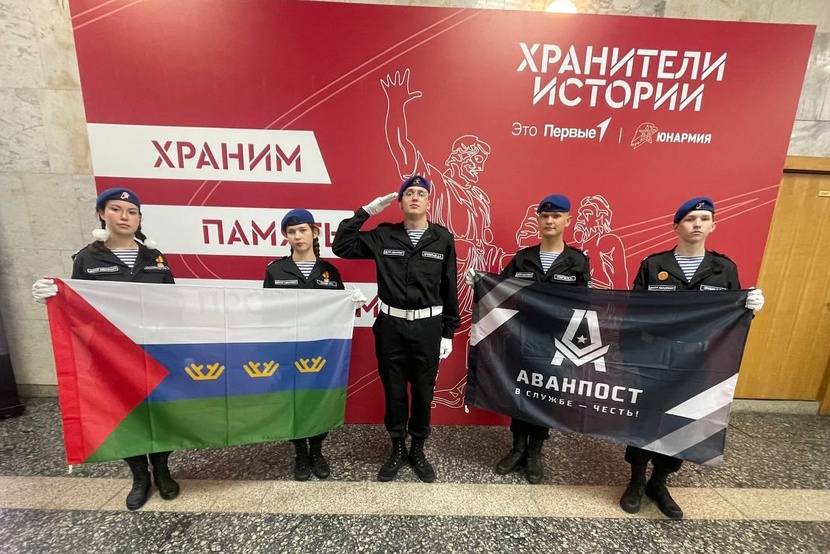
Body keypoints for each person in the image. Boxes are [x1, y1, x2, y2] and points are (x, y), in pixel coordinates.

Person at [32, 187, 180, 511]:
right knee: (123, 414)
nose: (124, 217)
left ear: (139, 218)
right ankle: (139, 477)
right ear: (102, 214)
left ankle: (163, 470)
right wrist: (54, 297)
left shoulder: (155, 257)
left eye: (132, 212)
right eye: (116, 209)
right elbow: (77, 306)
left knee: (159, 412)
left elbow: (171, 303)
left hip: (153, 351)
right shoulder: (87, 258)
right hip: (110, 355)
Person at [618, 196, 765, 520]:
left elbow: (731, 319)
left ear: (713, 225)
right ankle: (637, 480)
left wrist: (749, 308)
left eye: (704, 218)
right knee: (644, 419)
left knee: (683, 423)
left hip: (697, 360)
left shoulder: (724, 269)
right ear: (676, 226)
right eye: (689, 219)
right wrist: (632, 360)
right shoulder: (654, 266)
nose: (697, 224)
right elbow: (633, 315)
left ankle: (659, 483)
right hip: (655, 357)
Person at [332, 175, 461, 483]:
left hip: (428, 327)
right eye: (409, 193)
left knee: (423, 392)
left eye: (421, 193)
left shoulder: (442, 238)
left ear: (428, 202)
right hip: (391, 325)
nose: (415, 197)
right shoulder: (384, 235)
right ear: (400, 202)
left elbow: (449, 286)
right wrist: (366, 212)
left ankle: (418, 449)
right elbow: (342, 246)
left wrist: (448, 332)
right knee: (394, 390)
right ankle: (397, 448)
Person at [466, 194, 591, 484]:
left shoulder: (577, 261)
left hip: (556, 344)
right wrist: (480, 282)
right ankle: (518, 448)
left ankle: (535, 451)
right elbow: (501, 291)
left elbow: (585, 303)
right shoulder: (523, 258)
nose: (550, 221)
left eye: (556, 216)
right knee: (520, 393)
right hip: (522, 338)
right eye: (544, 216)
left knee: (545, 397)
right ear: (538, 220)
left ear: (567, 220)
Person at [263, 208, 365, 481]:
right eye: (292, 232)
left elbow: (338, 313)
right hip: (288, 349)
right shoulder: (275, 270)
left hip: (322, 350)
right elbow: (267, 314)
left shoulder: (330, 271)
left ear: (315, 232)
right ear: (286, 236)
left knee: (319, 400)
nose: (298, 236)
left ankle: (317, 452)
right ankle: (300, 453)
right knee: (294, 402)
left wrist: (352, 304)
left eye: (303, 230)